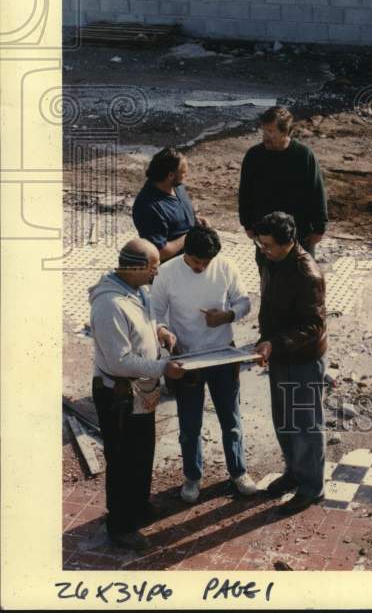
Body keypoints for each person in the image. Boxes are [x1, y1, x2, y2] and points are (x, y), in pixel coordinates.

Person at [89, 237, 185, 552]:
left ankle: (139, 506)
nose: (156, 274)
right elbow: (120, 360)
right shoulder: (109, 305)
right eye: (153, 268)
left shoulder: (137, 290)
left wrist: (160, 331)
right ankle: (121, 525)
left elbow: (146, 321)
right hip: (119, 395)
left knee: (142, 452)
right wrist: (162, 368)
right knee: (122, 460)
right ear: (137, 267)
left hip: (140, 392)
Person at [151, 225, 259, 503]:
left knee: (231, 420)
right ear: (186, 252)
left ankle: (238, 472)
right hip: (186, 357)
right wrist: (163, 331)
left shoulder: (225, 266)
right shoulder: (167, 272)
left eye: (207, 262)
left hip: (222, 353)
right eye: (197, 261)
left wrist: (226, 316)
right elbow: (155, 312)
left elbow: (244, 302)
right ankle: (192, 477)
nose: (202, 267)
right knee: (189, 425)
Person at [254, 212, 327, 514]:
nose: (262, 250)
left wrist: (275, 342)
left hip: (303, 360)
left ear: (288, 243)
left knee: (307, 425)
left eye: (268, 245)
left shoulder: (307, 274)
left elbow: (314, 327)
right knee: (284, 420)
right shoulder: (269, 259)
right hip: (280, 354)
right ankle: (294, 472)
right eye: (260, 244)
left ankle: (312, 487)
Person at [238, 107, 328, 258]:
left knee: (302, 279)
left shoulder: (304, 156)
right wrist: (247, 224)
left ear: (285, 132)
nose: (265, 136)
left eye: (271, 131)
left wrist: (319, 228)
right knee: (269, 279)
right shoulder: (254, 156)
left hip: (299, 234)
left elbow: (316, 193)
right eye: (264, 131)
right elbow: (245, 193)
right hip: (265, 235)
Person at [132, 147, 209, 262]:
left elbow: (175, 217)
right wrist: (191, 235)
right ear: (170, 175)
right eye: (183, 172)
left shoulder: (176, 186)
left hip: (192, 262)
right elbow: (160, 252)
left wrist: (196, 221)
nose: (186, 176)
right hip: (172, 271)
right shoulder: (148, 207)